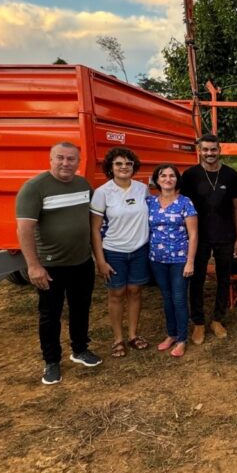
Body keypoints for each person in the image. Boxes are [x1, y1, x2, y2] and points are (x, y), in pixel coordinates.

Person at [15, 142, 102, 385]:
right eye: (60, 158)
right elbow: (24, 229)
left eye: (71, 159)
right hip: (50, 266)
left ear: (78, 161)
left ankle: (80, 349)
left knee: (80, 308)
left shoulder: (83, 185)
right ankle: (51, 361)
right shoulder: (34, 188)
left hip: (82, 262)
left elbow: (91, 221)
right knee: (50, 315)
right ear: (50, 159)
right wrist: (33, 266)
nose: (66, 163)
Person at [181, 134, 237, 343]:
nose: (209, 153)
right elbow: (183, 208)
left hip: (226, 235)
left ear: (220, 150)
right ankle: (198, 323)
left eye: (213, 149)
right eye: (205, 149)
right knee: (196, 279)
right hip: (198, 237)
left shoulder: (230, 175)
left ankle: (217, 318)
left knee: (224, 278)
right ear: (200, 150)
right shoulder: (190, 176)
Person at [90, 147, 150, 359]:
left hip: (139, 249)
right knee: (116, 294)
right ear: (110, 168)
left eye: (128, 164)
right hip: (114, 251)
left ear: (134, 167)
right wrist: (100, 260)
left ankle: (133, 335)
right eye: (118, 164)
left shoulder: (142, 189)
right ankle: (117, 339)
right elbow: (95, 229)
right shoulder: (102, 193)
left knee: (135, 291)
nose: (124, 167)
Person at [147, 164, 198, 358]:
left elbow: (193, 234)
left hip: (179, 259)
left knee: (178, 298)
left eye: (172, 176)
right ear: (157, 180)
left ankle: (182, 339)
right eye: (163, 176)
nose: (168, 179)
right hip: (156, 259)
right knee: (166, 297)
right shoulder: (150, 202)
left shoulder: (185, 202)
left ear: (177, 180)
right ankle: (171, 334)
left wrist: (190, 261)